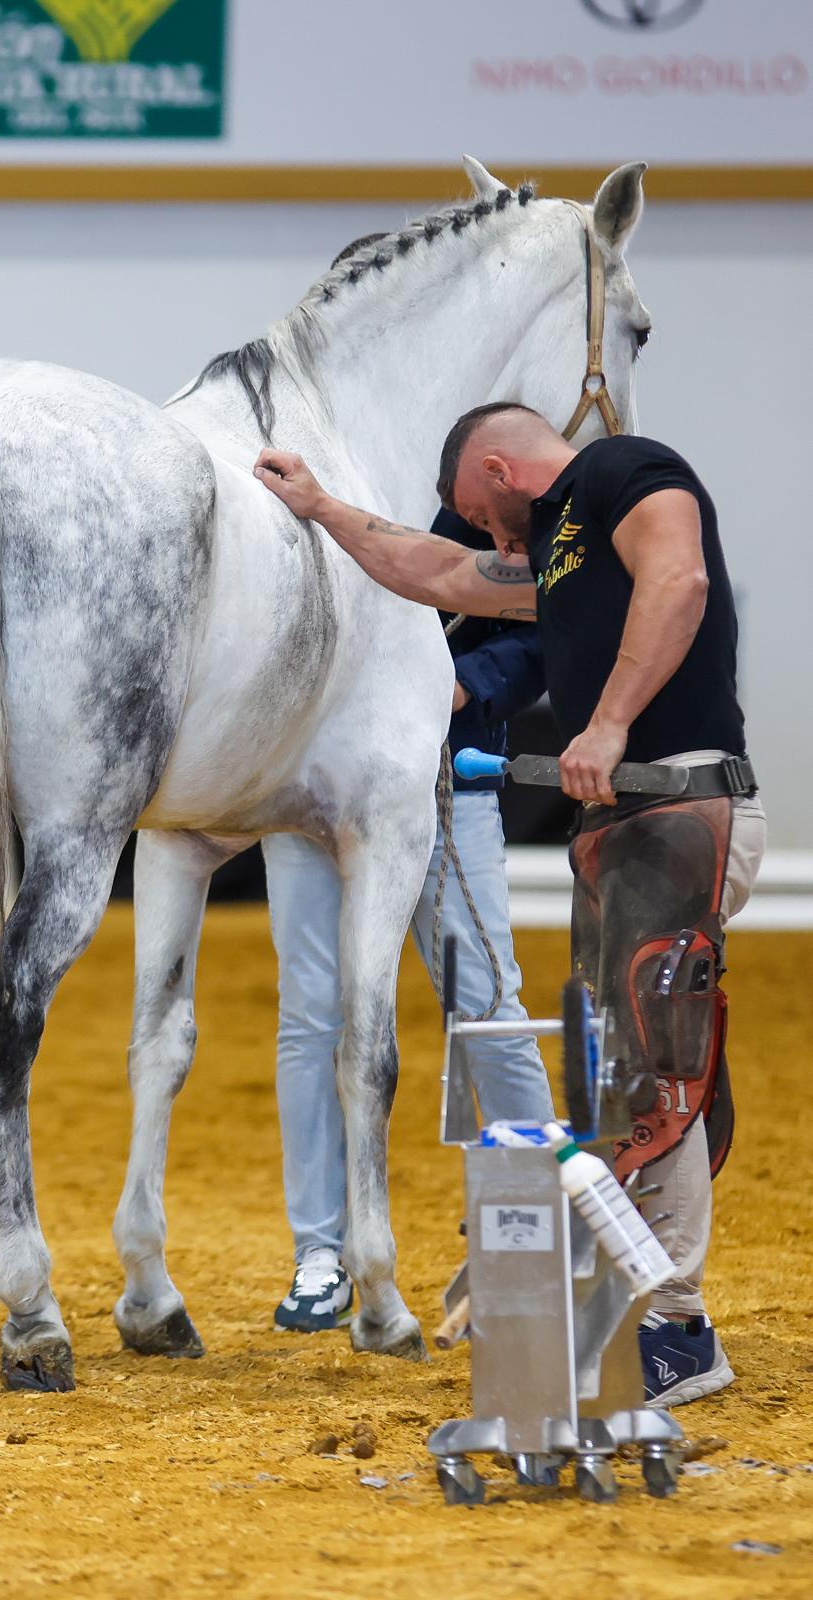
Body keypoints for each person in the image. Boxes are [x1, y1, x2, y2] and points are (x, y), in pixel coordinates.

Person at [253, 403, 765, 1408]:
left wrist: (610, 724)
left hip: (670, 804)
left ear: (499, 467)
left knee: (649, 1071)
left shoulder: (625, 469)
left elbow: (682, 579)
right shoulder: (569, 558)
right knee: (633, 1062)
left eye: (478, 513)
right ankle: (643, 1300)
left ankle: (676, 1330)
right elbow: (440, 576)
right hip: (628, 824)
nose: (486, 539)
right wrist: (319, 507)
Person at [267, 503, 553, 1333]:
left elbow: (539, 631)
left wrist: (457, 686)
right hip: (306, 781)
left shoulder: (478, 511)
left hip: (442, 777)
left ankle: (525, 1242)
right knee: (310, 1012)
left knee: (488, 1008)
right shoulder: (310, 504)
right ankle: (320, 1252)